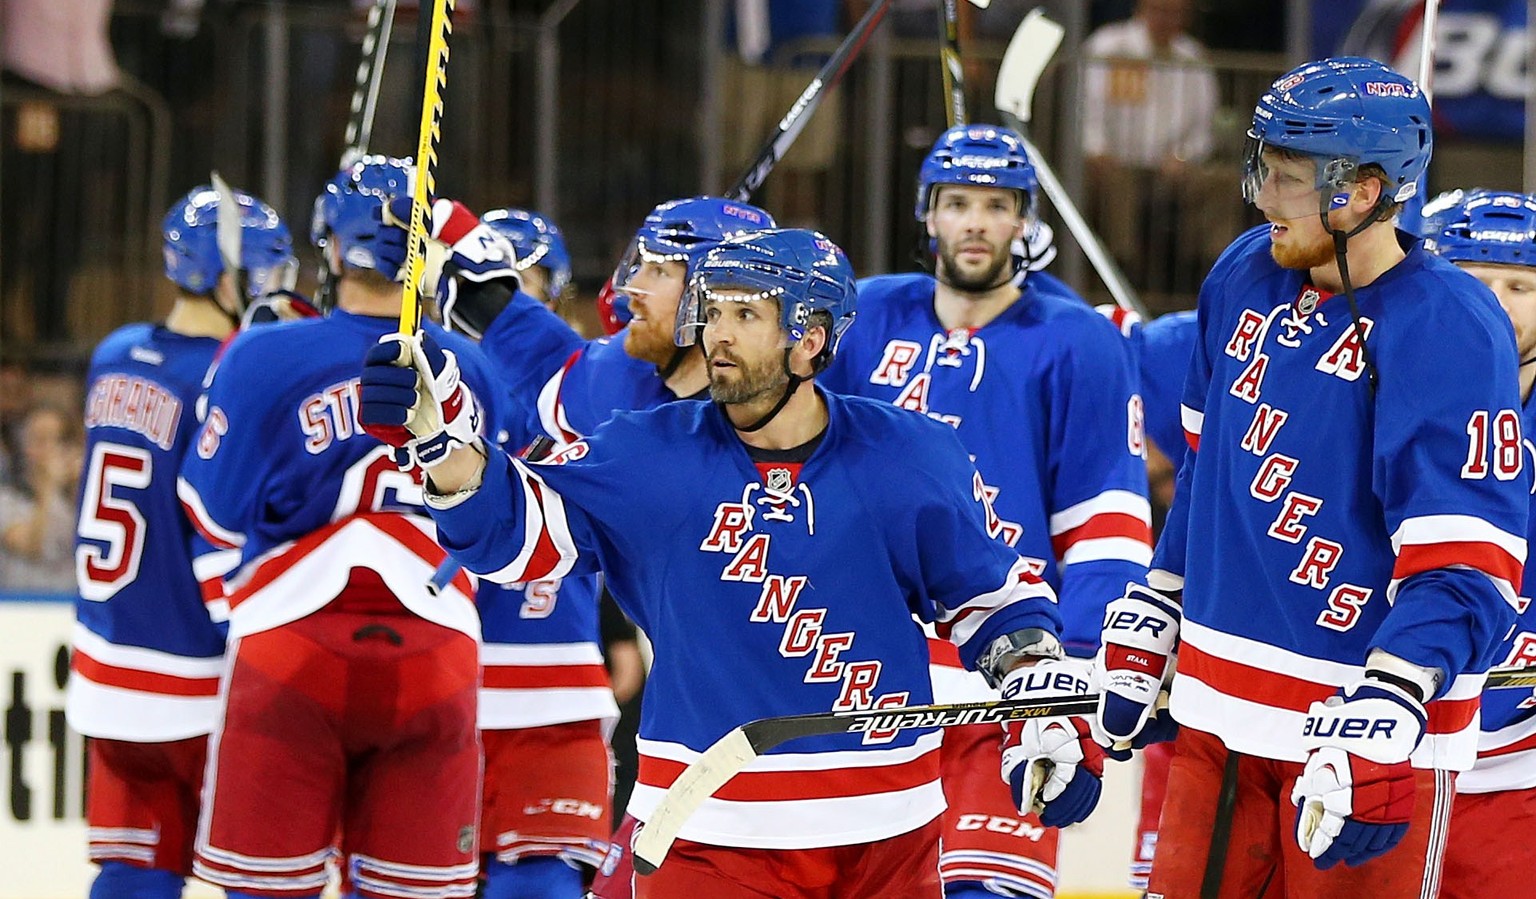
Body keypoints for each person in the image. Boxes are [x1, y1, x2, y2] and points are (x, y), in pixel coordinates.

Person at [359, 227, 1084, 899]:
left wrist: (1038, 696)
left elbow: (992, 602)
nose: (719, 335)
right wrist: (445, 450)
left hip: (889, 837)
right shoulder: (647, 453)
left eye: (748, 315)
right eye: (714, 311)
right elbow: (521, 535)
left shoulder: (908, 455)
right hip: (711, 831)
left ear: (811, 340)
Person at [1074, 58, 1528, 898]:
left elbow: (1467, 558)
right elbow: (1210, 476)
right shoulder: (1244, 272)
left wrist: (1399, 683)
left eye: (1285, 178)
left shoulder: (1449, 326)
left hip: (1362, 741)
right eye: (1264, 167)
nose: (1260, 195)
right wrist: (1160, 596)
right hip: (1217, 714)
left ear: (1360, 190)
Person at [821, 123, 1151, 899]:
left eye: (997, 205)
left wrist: (1072, 675)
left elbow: (1106, 525)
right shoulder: (861, 316)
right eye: (959, 203)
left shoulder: (1079, 342)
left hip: (1007, 671)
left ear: (1025, 223)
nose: (976, 222)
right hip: (860, 667)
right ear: (927, 214)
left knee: (983, 891)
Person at [177, 156, 507, 899]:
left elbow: (210, 513)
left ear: (330, 246)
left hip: (290, 651)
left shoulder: (264, 355)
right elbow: (503, 527)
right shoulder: (476, 367)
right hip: (436, 654)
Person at [64, 184, 294, 899]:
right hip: (199, 675)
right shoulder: (225, 378)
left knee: (134, 872)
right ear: (229, 278)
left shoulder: (113, 355)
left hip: (106, 665)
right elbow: (216, 537)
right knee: (262, 879)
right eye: (266, 272)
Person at [1420, 188, 1536, 899]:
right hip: (1377, 753)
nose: (1495, 301)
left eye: (1520, 284)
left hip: (1517, 769)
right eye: (1471, 277)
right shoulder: (1361, 395)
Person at [1, 404, 81, 590]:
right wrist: (49, 486)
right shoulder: (6, 497)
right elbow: (31, 544)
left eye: (58, 440)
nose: (47, 450)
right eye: (38, 439)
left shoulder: (82, 497)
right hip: (18, 610)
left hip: (70, 606)